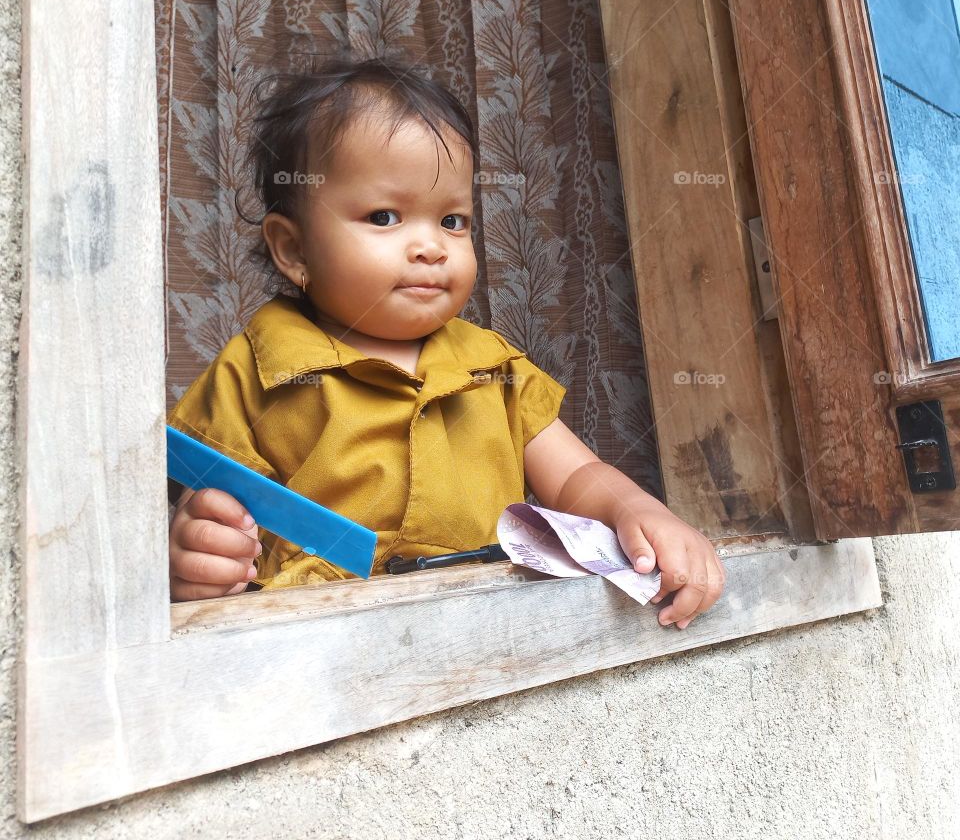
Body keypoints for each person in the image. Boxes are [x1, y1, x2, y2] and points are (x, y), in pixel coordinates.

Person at [167, 58, 725, 629]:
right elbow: (209, 510)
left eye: (453, 221)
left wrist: (637, 508)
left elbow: (578, 477)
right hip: (321, 642)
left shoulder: (492, 366)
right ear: (294, 250)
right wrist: (196, 555)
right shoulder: (255, 373)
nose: (432, 247)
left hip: (489, 628)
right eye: (385, 216)